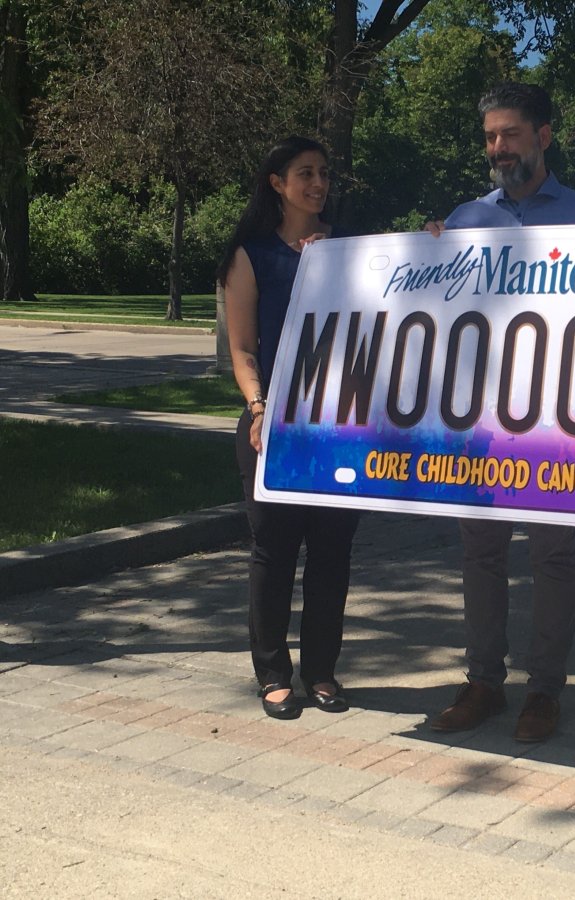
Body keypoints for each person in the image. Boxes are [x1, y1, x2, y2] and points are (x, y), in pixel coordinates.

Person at [425, 82, 575, 743]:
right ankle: (483, 681)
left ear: (544, 135)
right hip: (478, 417)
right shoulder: (466, 220)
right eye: (489, 137)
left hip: (555, 421)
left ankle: (543, 691)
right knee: (479, 553)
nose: (498, 148)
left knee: (552, 556)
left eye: (509, 134)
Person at [218, 136, 360, 720]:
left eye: (324, 173)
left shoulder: (351, 250)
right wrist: (258, 409)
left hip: (337, 426)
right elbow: (243, 348)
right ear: (277, 183)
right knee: (273, 553)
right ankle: (273, 673)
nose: (318, 183)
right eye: (305, 173)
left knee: (332, 554)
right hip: (272, 425)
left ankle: (321, 671)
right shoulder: (249, 255)